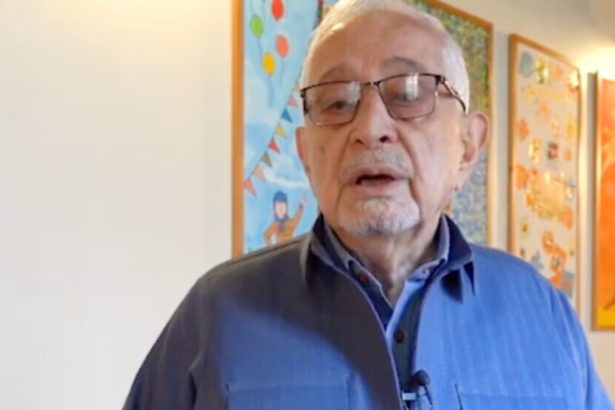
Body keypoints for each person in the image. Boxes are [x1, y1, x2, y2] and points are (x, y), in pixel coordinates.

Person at [123, 0, 614, 408]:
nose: (370, 127)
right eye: (337, 102)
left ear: (468, 146)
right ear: (306, 154)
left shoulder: (543, 312)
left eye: (409, 93)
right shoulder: (217, 314)